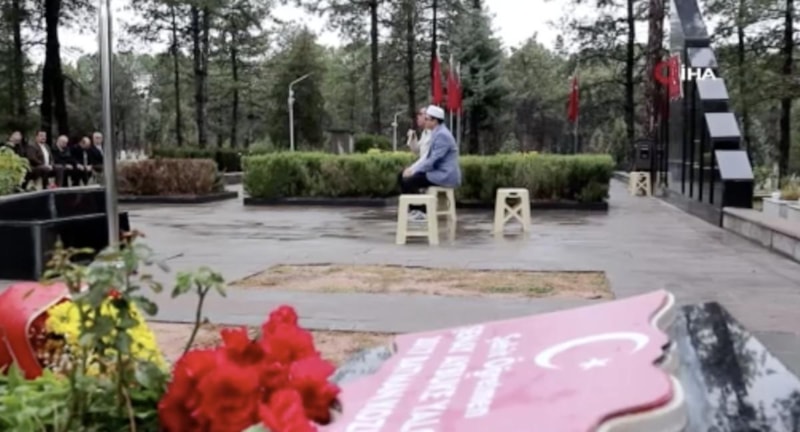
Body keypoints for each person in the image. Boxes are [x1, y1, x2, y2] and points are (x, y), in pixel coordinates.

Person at [398, 105, 461, 222]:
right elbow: (426, 156)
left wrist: (414, 170)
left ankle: (420, 211)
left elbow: (433, 159)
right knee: (402, 176)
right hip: (437, 172)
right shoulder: (436, 132)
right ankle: (416, 209)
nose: (424, 121)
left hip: (444, 175)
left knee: (410, 180)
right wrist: (412, 169)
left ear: (435, 121)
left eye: (427, 119)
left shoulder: (442, 135)